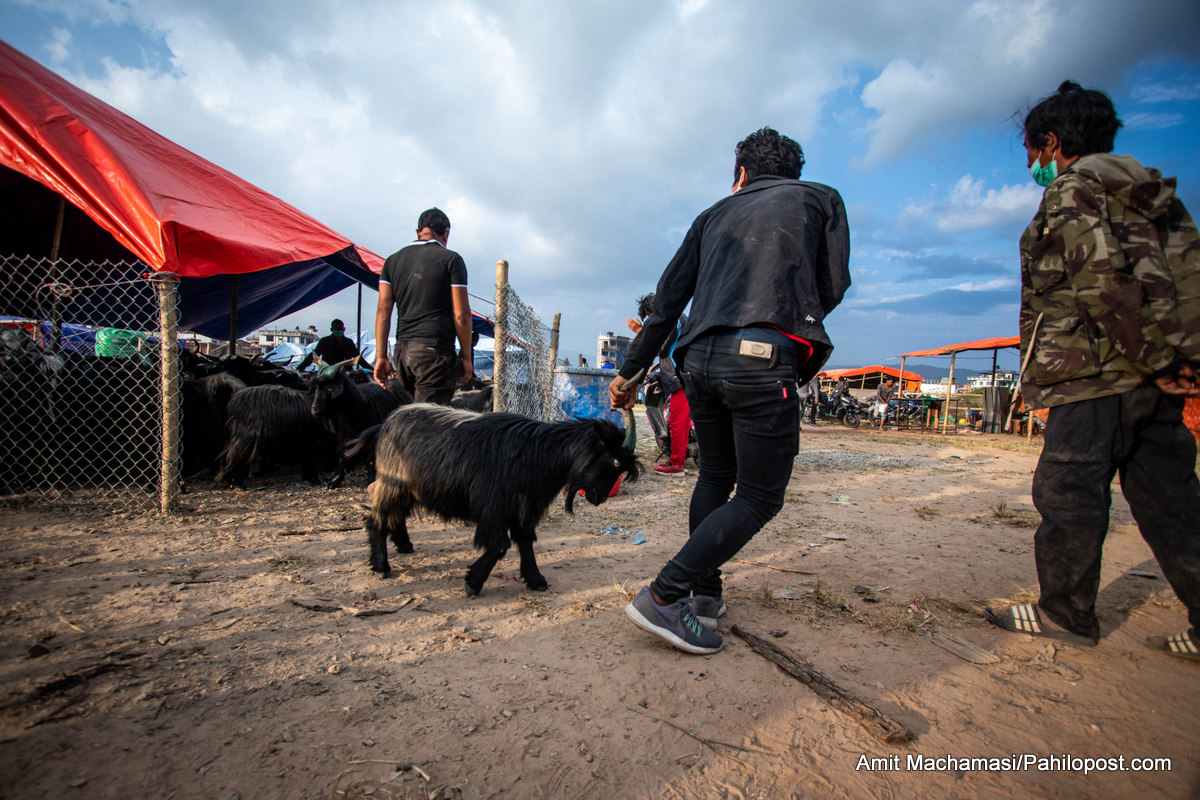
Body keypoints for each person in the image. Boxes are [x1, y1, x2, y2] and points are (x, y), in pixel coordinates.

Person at [610, 127, 851, 654]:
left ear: (740, 174)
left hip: (696, 359)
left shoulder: (712, 214)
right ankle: (667, 594)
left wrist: (629, 374)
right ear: (792, 173)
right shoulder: (819, 199)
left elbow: (667, 303)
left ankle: (706, 596)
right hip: (761, 358)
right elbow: (833, 284)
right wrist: (783, 319)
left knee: (717, 474)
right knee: (761, 495)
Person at [984, 81, 1200, 661]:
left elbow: (1100, 284)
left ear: (1052, 144)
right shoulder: (1150, 192)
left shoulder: (1073, 191)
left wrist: (1150, 359)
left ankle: (1065, 613)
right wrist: (1175, 364)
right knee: (1170, 499)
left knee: (1069, 489)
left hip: (1096, 372)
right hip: (1156, 378)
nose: (1032, 165)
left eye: (1032, 153)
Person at [374, 208, 473, 404]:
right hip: (434, 353)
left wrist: (381, 357)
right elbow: (461, 314)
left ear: (418, 232)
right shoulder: (451, 260)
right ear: (446, 233)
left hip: (402, 354)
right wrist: (467, 356)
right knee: (429, 426)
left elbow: (383, 310)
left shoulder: (392, 261)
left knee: (408, 418)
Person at [626, 293, 692, 475]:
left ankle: (677, 464)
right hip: (688, 372)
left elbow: (661, 347)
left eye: (649, 318)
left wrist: (641, 332)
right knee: (682, 420)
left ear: (651, 312)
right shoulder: (680, 317)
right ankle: (680, 461)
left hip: (679, 375)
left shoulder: (671, 319)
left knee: (676, 421)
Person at [296, 319, 369, 371]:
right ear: (331, 329)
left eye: (340, 328)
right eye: (336, 329)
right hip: (328, 373)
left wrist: (372, 370)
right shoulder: (325, 341)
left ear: (344, 329)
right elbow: (313, 356)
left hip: (346, 374)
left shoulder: (349, 343)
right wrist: (300, 368)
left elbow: (359, 359)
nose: (338, 331)